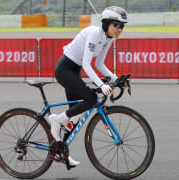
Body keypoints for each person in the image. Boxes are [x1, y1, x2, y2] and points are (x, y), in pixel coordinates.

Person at [49, 6, 128, 166]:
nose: (120, 29)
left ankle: (61, 152)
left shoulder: (108, 38)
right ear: (106, 24)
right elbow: (87, 64)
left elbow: (99, 64)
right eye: (117, 25)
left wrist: (116, 79)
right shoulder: (94, 34)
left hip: (74, 71)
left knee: (76, 114)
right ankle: (56, 121)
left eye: (122, 26)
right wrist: (101, 84)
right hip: (65, 69)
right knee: (91, 98)